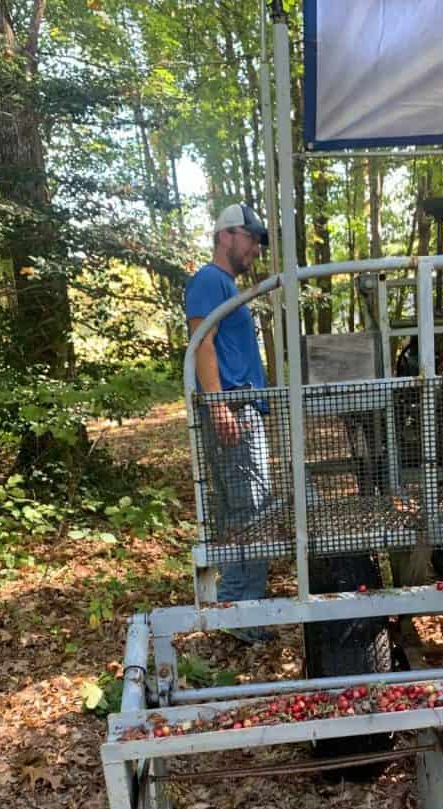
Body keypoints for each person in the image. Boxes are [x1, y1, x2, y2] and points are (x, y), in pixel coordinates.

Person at [186, 203, 274, 645]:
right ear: (227, 235)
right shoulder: (208, 280)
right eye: (252, 238)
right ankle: (240, 616)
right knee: (252, 515)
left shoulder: (226, 286)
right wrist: (219, 406)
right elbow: (202, 344)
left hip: (243, 410)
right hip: (233, 410)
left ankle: (236, 609)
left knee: (249, 513)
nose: (256, 248)